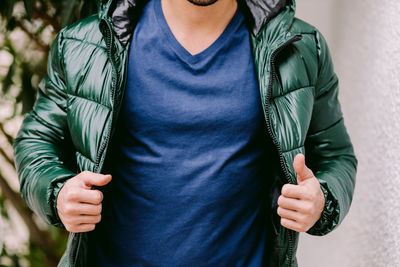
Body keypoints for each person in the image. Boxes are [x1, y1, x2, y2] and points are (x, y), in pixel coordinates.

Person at [13, 0, 357, 266]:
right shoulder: (83, 46)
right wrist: (57, 192)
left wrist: (321, 199)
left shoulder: (300, 47)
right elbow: (37, 141)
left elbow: (336, 155)